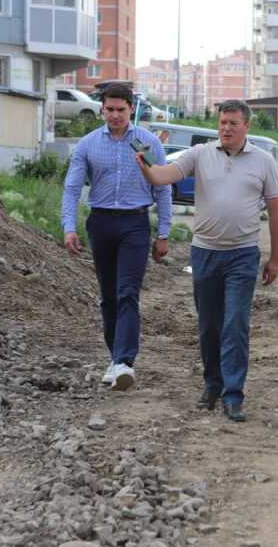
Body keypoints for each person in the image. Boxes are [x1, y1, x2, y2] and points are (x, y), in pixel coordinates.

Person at [136, 100, 278, 423]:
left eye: (233, 123)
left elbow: (276, 210)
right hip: (204, 252)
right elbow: (163, 177)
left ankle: (234, 395)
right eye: (222, 123)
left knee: (235, 324)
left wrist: (276, 256)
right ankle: (212, 385)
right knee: (209, 324)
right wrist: (145, 164)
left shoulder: (263, 162)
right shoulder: (200, 154)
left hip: (243, 254)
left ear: (247, 126)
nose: (226, 128)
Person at [61, 83, 172, 392]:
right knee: (108, 295)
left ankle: (125, 360)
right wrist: (69, 227)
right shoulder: (87, 145)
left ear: (131, 109)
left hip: (135, 224)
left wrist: (163, 232)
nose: (115, 115)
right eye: (109, 109)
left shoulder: (146, 143)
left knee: (127, 292)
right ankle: (115, 358)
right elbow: (72, 188)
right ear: (101, 110)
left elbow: (162, 187)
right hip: (101, 224)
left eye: (121, 110)